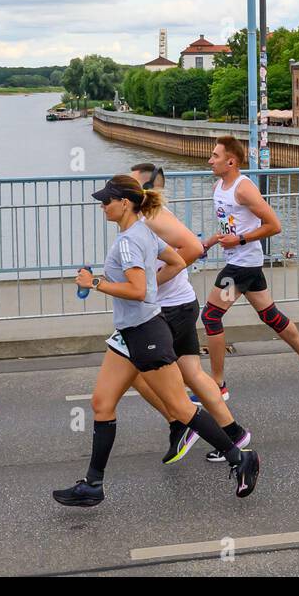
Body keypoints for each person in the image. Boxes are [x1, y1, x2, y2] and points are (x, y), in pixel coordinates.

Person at [53, 175, 258, 507]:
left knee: (180, 408)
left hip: (146, 332)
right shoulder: (142, 232)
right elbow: (177, 262)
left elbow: (137, 290)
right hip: (129, 333)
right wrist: (147, 286)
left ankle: (239, 457)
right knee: (101, 403)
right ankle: (93, 485)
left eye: (107, 200)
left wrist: (96, 284)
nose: (102, 205)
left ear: (125, 203)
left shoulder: (128, 241)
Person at [126, 163, 252, 465]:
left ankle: (180, 421)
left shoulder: (154, 217)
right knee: (192, 374)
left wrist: (150, 285)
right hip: (177, 305)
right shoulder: (146, 217)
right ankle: (233, 433)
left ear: (144, 190)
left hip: (169, 309)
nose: (122, 189)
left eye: (129, 185)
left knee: (136, 371)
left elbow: (192, 248)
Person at [199, 137, 299, 397]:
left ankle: (217, 385)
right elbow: (231, 224)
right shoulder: (218, 186)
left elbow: (274, 225)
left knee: (210, 316)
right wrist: (211, 242)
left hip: (242, 266)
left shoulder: (243, 188)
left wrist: (240, 239)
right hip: (242, 262)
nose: (210, 160)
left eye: (215, 156)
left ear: (231, 161)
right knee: (270, 316)